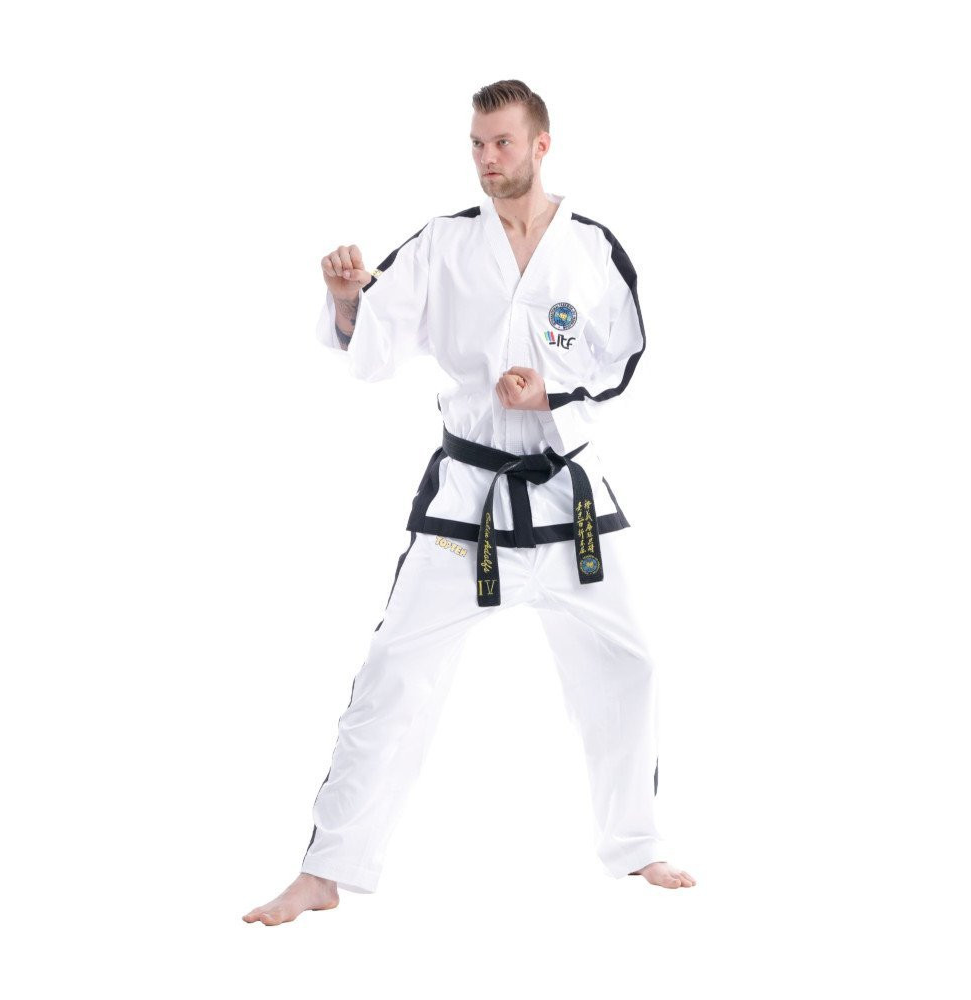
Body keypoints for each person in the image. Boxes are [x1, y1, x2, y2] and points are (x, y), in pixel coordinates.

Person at [243, 79, 695, 925]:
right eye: (478, 144)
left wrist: (551, 394)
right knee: (393, 674)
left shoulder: (592, 247)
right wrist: (347, 300)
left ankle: (637, 844)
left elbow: (626, 356)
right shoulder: (445, 243)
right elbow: (374, 345)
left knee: (628, 665)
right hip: (469, 502)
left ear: (541, 144)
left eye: (503, 143)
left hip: (569, 503)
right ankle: (326, 870)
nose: (488, 159)